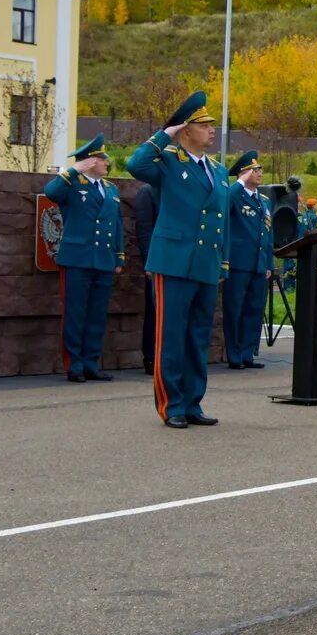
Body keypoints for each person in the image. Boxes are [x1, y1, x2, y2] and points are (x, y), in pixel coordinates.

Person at [127, 91, 229, 429]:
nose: (212, 130)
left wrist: (222, 262)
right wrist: (165, 133)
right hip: (172, 261)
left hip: (204, 263)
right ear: (186, 130)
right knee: (170, 336)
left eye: (212, 125)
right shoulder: (169, 162)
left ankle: (192, 402)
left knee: (198, 337)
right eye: (204, 125)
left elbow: (221, 218)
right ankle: (171, 406)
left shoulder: (218, 170)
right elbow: (135, 165)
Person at [43, 135, 125, 383]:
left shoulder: (111, 189)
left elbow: (117, 224)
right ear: (89, 162)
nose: (107, 163)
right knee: (76, 314)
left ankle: (91, 363)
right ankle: (74, 365)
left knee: (97, 315)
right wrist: (73, 170)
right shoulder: (72, 184)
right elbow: (50, 192)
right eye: (102, 159)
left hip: (103, 259)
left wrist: (118, 257)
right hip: (78, 258)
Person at [222, 150, 273, 369]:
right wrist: (238, 184)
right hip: (238, 262)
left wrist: (269, 263)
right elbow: (224, 215)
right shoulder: (234, 194)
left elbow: (268, 234)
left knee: (254, 309)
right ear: (243, 173)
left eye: (260, 169)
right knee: (235, 309)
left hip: (258, 264)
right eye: (255, 169)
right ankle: (234, 354)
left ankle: (247, 353)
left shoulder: (263, 200)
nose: (259, 173)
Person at [133, 182, 159, 375]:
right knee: (154, 312)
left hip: (177, 262)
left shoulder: (174, 188)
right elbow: (144, 230)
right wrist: (149, 260)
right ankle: (151, 357)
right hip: (156, 263)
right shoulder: (148, 191)